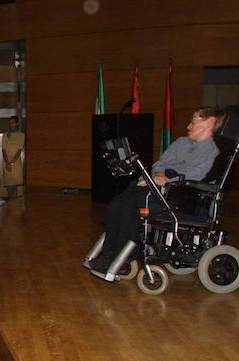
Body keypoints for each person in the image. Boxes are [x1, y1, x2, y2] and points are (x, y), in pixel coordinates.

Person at [91, 106, 224, 272]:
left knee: (130, 207)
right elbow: (160, 163)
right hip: (156, 184)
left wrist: (167, 180)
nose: (189, 126)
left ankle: (121, 260)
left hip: (179, 196)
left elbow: (196, 175)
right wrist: (158, 175)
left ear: (210, 122)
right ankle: (111, 255)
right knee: (116, 205)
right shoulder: (181, 143)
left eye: (194, 122)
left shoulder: (213, 153)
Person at [2, 115, 25, 199]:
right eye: (10, 123)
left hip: (15, 161)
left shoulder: (21, 135)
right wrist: (7, 162)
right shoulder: (5, 134)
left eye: (13, 123)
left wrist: (11, 162)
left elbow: (19, 150)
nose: (11, 124)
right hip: (6, 161)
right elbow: (3, 149)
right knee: (8, 185)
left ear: (17, 123)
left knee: (14, 184)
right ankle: (9, 202)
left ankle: (14, 204)